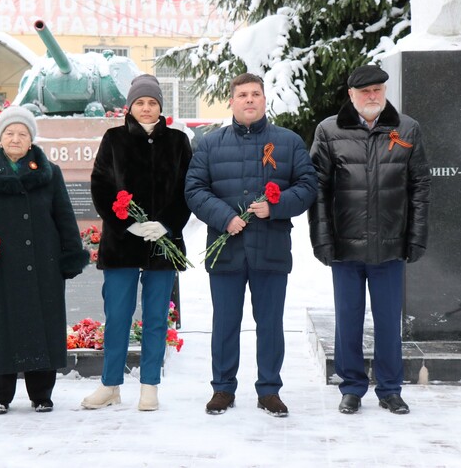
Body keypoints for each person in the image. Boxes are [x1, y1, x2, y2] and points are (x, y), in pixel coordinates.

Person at [185, 73, 317, 417]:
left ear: (264, 100)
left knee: (270, 323)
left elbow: (307, 186)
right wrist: (225, 217)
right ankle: (222, 388)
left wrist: (276, 206)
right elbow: (195, 189)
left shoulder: (288, 142)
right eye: (242, 94)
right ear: (231, 101)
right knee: (225, 323)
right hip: (226, 249)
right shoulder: (211, 144)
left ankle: (269, 390)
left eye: (255, 94)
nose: (249, 100)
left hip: (270, 249)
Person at [308, 64, 430, 415]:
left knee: (389, 321)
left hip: (390, 244)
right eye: (364, 91)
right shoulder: (329, 130)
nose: (372, 96)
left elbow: (420, 185)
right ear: (351, 95)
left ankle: (390, 389)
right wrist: (321, 239)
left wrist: (416, 235)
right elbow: (318, 189)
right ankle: (351, 387)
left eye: (377, 89)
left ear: (385, 91)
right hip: (345, 246)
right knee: (348, 319)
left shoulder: (406, 128)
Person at [0, 106, 88, 415]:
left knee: (43, 327)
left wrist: (70, 255)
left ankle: (41, 394)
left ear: (31, 140)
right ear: (0, 137)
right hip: (0, 268)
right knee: (1, 330)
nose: (16, 138)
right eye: (10, 133)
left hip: (44, 265)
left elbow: (64, 216)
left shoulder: (49, 172)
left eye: (22, 134)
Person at [82, 74, 192, 411]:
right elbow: (101, 185)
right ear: (130, 107)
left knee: (157, 317)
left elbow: (188, 189)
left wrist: (167, 224)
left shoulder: (178, 141)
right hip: (122, 245)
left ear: (160, 107)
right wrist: (127, 225)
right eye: (140, 102)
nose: (146, 108)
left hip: (162, 245)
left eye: (152, 102)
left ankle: (149, 386)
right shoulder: (114, 139)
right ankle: (110, 385)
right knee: (118, 316)